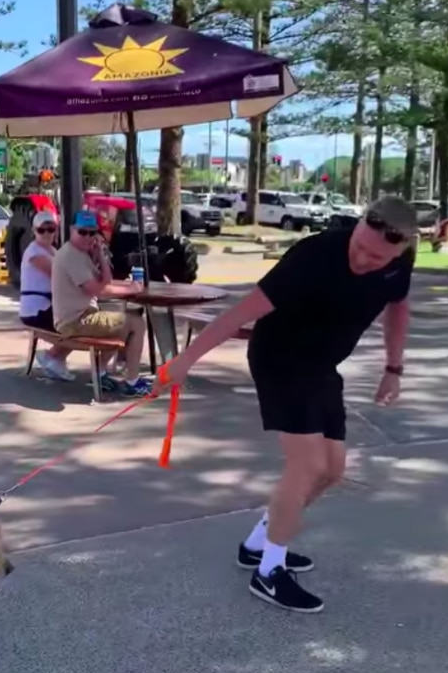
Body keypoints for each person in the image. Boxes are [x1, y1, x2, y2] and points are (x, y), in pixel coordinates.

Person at [157, 195, 418, 614]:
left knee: (332, 471)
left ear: (400, 251)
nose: (365, 259)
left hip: (321, 366)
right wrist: (185, 359)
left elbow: (398, 308)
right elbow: (241, 311)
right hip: (279, 358)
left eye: (377, 256)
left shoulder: (397, 266)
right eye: (360, 246)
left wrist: (394, 367)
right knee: (307, 466)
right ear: (356, 228)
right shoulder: (313, 255)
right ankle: (270, 571)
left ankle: (257, 544)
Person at [51, 211, 151, 396]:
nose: (88, 237)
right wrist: (131, 290)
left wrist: (99, 254)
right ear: (72, 230)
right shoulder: (71, 256)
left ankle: (101, 373)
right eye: (83, 232)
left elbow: (106, 280)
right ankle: (132, 381)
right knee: (137, 323)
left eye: (92, 233)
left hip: (79, 316)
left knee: (120, 320)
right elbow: (98, 290)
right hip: (76, 321)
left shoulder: (82, 254)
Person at [19, 210, 75, 382]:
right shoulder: (35, 253)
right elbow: (61, 275)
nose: (47, 234)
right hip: (37, 309)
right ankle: (53, 356)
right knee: (81, 322)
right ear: (34, 231)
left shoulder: (52, 250)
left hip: (49, 306)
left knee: (83, 316)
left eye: (51, 229)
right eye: (42, 230)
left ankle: (55, 358)